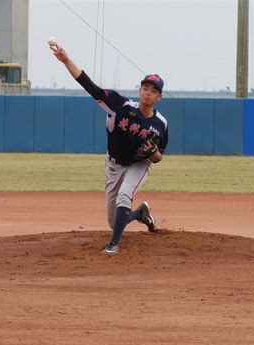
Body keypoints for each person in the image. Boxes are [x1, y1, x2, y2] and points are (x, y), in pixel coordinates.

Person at [49, 41, 168, 254]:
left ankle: (113, 244)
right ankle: (140, 213)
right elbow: (90, 87)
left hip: (138, 165)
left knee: (125, 196)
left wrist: (153, 153)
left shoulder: (160, 124)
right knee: (115, 221)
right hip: (113, 163)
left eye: (154, 91)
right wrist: (66, 60)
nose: (148, 92)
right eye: (146, 87)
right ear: (140, 89)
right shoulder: (119, 105)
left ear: (160, 97)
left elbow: (159, 157)